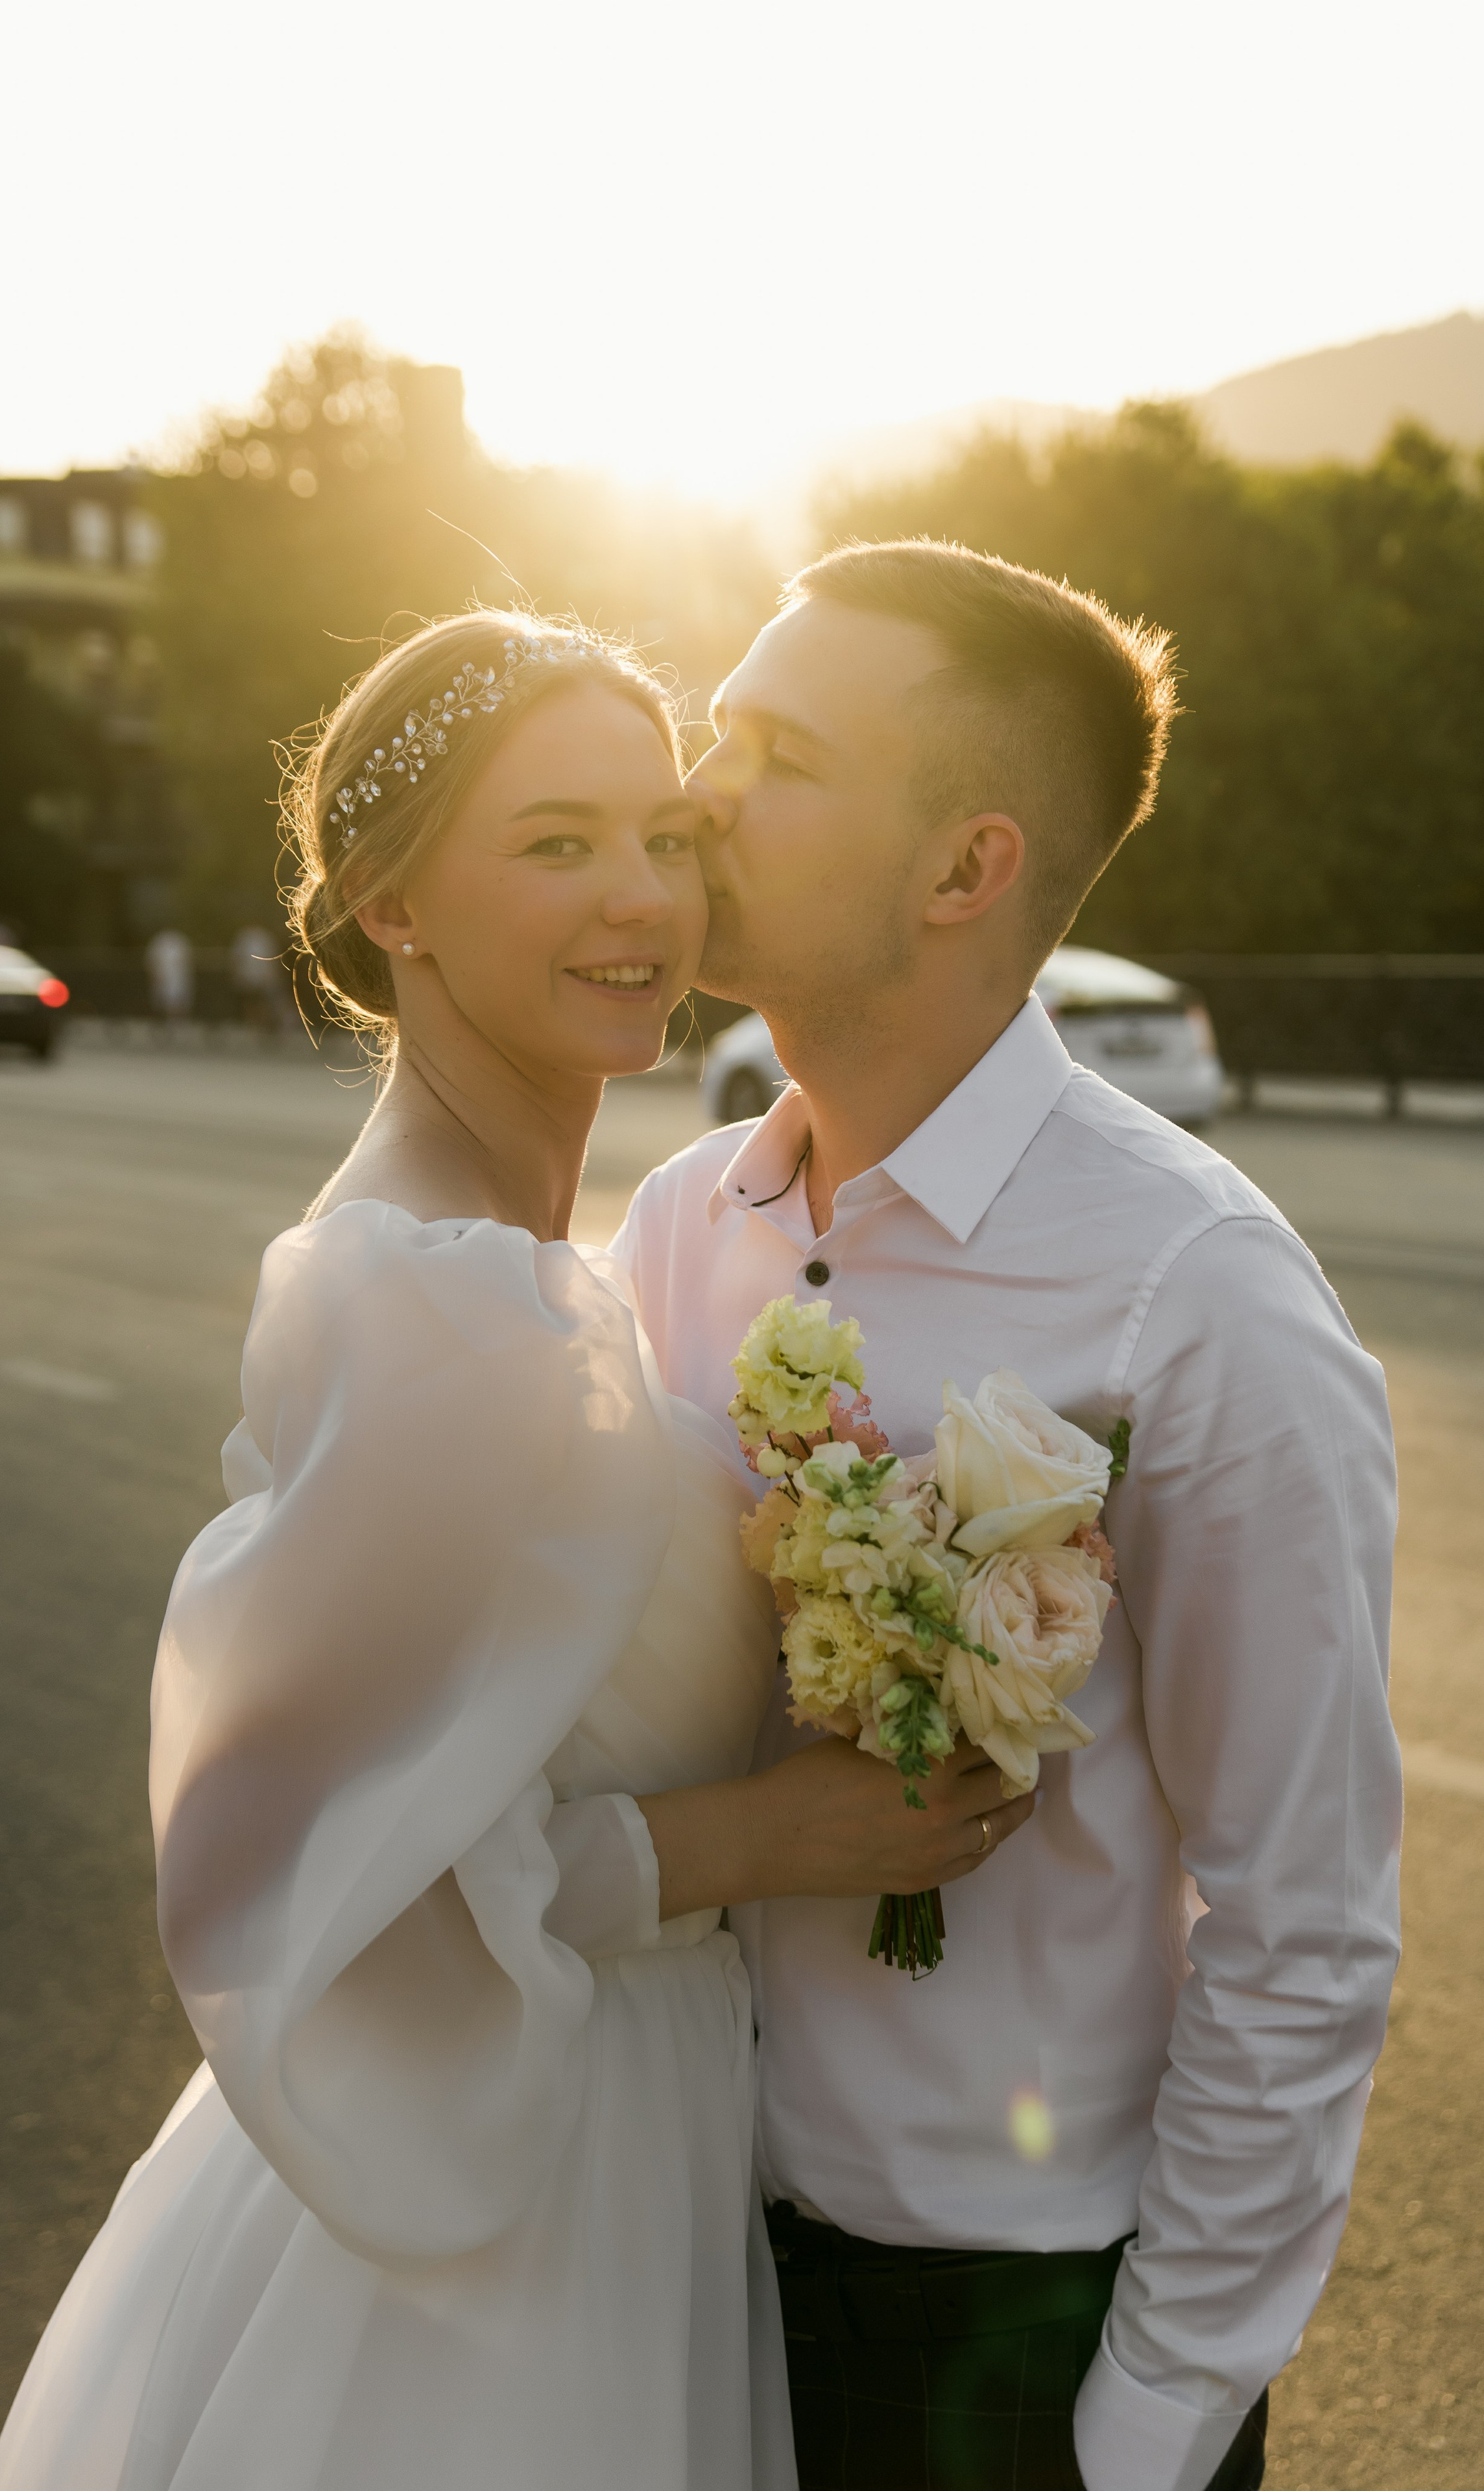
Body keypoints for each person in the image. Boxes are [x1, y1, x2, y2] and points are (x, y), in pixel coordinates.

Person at [0, 609, 1033, 2491]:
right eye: (556, 842)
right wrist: (768, 1840)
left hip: (627, 2110)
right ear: (391, 904)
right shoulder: (442, 1300)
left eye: (665, 834)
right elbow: (334, 1880)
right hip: (509, 2203)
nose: (641, 895)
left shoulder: (539, 1258)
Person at [612, 542, 1402, 2491]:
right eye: (718, 728)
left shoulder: (1195, 1293)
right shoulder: (679, 1226)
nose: (697, 793)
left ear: (967, 868)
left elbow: (1302, 1921)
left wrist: (1149, 2422)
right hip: (671, 2275)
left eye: (781, 754)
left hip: (1009, 2338)